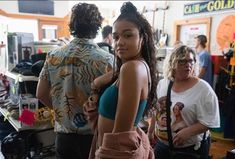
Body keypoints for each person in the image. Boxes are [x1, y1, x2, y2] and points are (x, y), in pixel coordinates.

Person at [36, 3, 113, 159]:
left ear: (72, 24)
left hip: (64, 137)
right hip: (94, 135)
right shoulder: (108, 60)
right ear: (97, 25)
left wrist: (62, 110)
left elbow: (41, 93)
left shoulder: (54, 55)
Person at [88, 2, 158, 159]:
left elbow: (120, 139)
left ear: (143, 38)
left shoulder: (132, 69)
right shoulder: (134, 67)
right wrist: (98, 83)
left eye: (128, 35)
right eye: (116, 37)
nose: (119, 42)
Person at [148, 45, 220, 159]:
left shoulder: (203, 89)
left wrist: (189, 131)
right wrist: (151, 130)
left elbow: (210, 121)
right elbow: (157, 109)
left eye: (191, 61)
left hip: (190, 150)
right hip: (162, 146)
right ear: (172, 64)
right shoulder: (163, 83)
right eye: (182, 61)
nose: (188, 65)